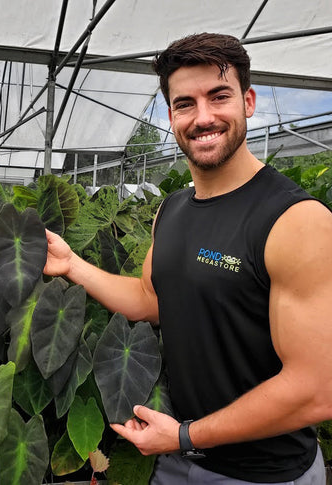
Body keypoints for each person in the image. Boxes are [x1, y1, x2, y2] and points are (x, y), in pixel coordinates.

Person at [44, 32, 332, 484]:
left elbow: (316, 391)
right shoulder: (172, 209)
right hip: (177, 458)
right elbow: (150, 299)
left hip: (263, 474)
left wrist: (185, 435)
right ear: (170, 114)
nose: (203, 117)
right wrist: (71, 265)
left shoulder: (295, 220)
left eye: (219, 97)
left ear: (249, 101)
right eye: (184, 103)